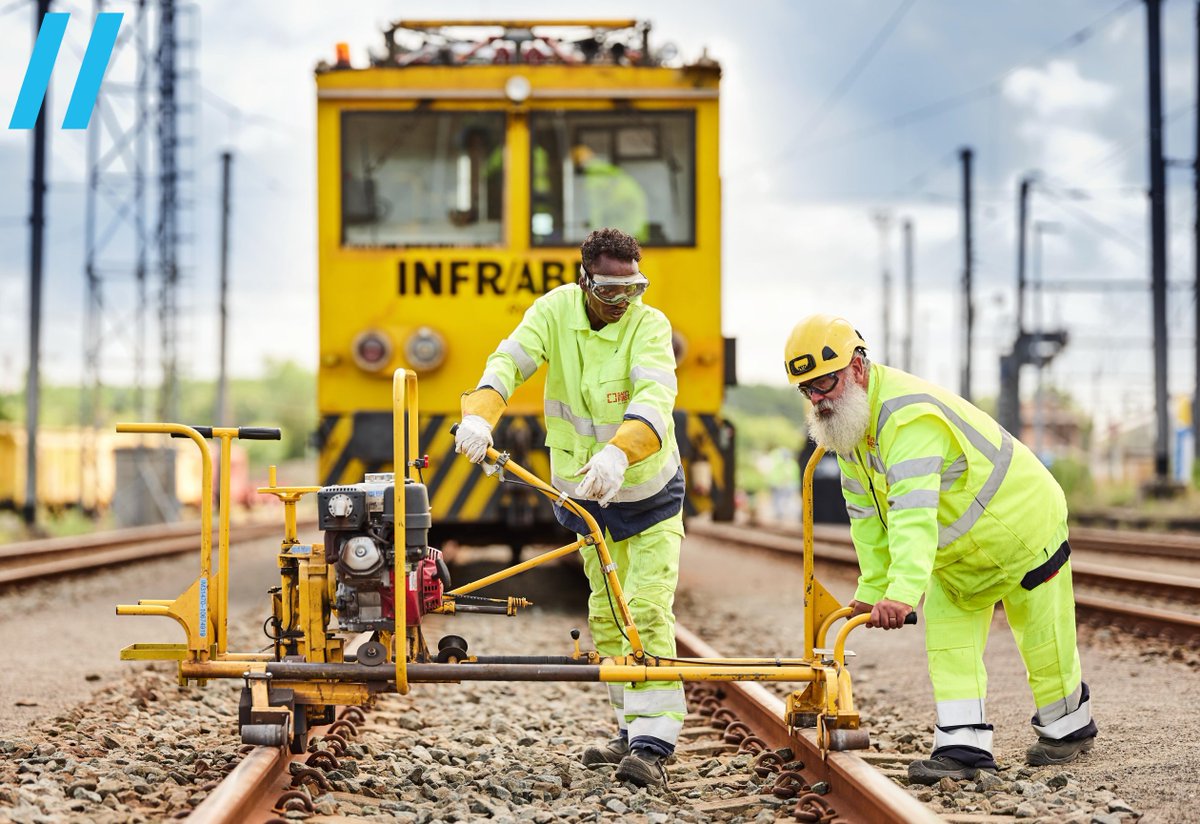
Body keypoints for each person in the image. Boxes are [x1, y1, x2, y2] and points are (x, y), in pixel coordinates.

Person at [782, 314, 1098, 786]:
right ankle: (963, 748)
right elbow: (867, 518)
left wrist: (902, 593)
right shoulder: (850, 430)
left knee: (1043, 635)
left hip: (1023, 526)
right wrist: (873, 588)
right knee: (947, 641)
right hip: (958, 552)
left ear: (859, 367)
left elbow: (912, 512)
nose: (819, 399)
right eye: (807, 389)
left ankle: (1068, 728)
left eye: (826, 382)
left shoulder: (907, 417)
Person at [454, 227, 685, 788]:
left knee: (646, 609)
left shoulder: (650, 325)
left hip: (646, 493)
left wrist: (618, 454)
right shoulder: (554, 312)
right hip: (586, 503)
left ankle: (656, 742)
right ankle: (631, 730)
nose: (623, 301)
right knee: (607, 616)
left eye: (633, 288)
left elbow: (656, 396)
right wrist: (481, 415)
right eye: (611, 290)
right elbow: (508, 361)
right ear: (585, 280)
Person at [572, 145, 649, 242]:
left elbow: (596, 208)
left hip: (622, 209)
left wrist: (595, 236)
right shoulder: (605, 169)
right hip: (632, 208)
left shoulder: (594, 176)